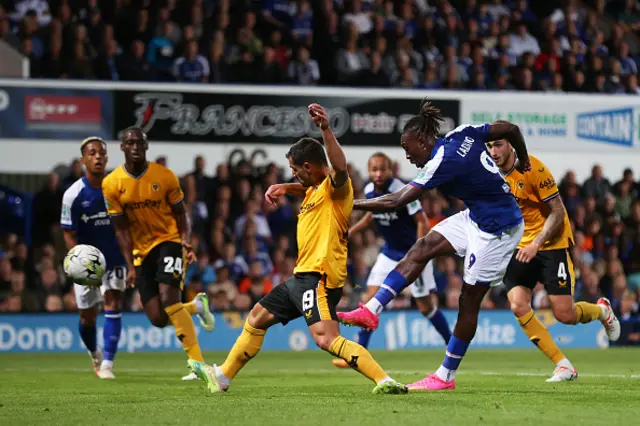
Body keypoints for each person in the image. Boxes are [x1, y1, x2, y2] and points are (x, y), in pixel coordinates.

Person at [187, 104, 407, 395]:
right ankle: (222, 377)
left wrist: (326, 129)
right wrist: (284, 186)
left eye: (295, 171)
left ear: (309, 167)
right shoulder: (314, 190)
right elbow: (305, 188)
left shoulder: (336, 188)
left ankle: (384, 380)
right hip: (300, 278)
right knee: (256, 317)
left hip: (319, 279)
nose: (294, 175)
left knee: (326, 339)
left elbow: (339, 168)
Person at [339, 98, 529, 391]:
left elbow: (396, 200)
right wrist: (523, 160)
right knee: (421, 248)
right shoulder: (462, 133)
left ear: (422, 140)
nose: (407, 155)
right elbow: (511, 129)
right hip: (476, 216)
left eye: (407, 148)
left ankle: (445, 377)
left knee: (468, 301)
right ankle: (371, 310)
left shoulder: (441, 162)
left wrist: (348, 203)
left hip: (498, 230)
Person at [485, 138, 620, 382]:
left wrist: (537, 244)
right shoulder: (489, 172)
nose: (493, 152)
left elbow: (558, 212)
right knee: (517, 304)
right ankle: (563, 364)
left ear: (511, 145)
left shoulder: (534, 169)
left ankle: (602, 311)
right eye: (490, 146)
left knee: (564, 315)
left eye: (498, 145)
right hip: (521, 244)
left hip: (551, 243)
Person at [102, 127, 215, 381]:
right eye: (129, 142)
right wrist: (130, 265)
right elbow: (121, 230)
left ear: (146, 145)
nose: (135, 146)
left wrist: (185, 241)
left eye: (139, 142)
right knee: (158, 318)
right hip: (141, 252)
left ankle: (198, 365)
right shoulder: (111, 184)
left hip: (169, 240)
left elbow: (181, 213)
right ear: (122, 147)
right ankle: (196, 306)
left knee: (169, 298)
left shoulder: (165, 176)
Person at [333, 152, 451, 370]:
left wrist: (419, 252)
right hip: (389, 253)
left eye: (382, 169)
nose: (378, 174)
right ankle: (358, 354)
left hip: (413, 254)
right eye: (374, 169)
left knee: (426, 307)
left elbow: (421, 220)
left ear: (390, 170)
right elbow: (373, 214)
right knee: (369, 300)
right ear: (369, 171)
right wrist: (353, 230)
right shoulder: (369, 190)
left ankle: (451, 342)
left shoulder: (402, 190)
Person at [60, 137, 126, 379]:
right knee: (87, 317)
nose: (98, 156)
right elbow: (68, 233)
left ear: (107, 158)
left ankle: (108, 363)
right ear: (83, 160)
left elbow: (126, 226)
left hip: (114, 257)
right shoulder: (73, 195)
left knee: (113, 303)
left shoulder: (117, 187)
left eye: (101, 153)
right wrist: (79, 263)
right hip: (86, 265)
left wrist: (131, 259)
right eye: (92, 153)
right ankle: (94, 352)